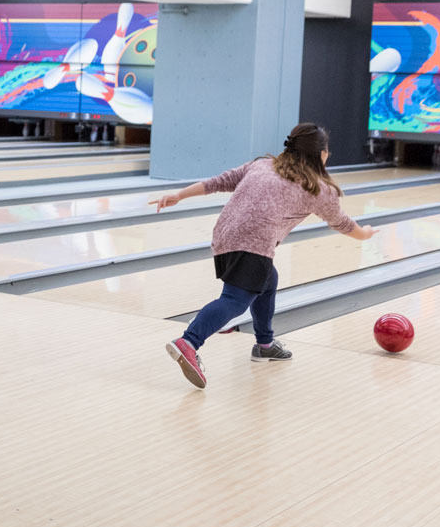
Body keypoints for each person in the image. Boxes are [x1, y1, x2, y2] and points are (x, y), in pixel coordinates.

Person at [149, 124, 375, 389]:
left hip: (224, 235)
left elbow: (219, 182)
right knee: (235, 301)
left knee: (268, 279)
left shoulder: (262, 164)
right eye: (327, 150)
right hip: (253, 243)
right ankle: (188, 342)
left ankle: (265, 344)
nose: (329, 154)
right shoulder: (319, 188)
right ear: (319, 154)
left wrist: (179, 194)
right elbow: (342, 223)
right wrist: (366, 234)